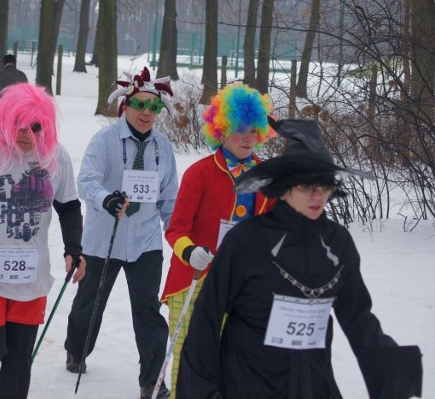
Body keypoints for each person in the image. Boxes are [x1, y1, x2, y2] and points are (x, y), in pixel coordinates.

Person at [177, 118, 423, 398]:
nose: (317, 195)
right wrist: (205, 391)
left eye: (325, 185)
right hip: (249, 378)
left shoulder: (337, 243)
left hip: (312, 379)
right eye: (306, 186)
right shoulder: (246, 241)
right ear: (283, 188)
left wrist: (393, 368)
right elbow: (206, 318)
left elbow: (357, 316)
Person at [0, 83, 86, 399]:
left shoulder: (55, 157)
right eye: (18, 126)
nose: (26, 135)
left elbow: (69, 206)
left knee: (20, 359)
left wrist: (74, 249)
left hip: (30, 278)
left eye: (35, 127)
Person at [64, 67, 179, 399]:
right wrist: (107, 198)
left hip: (145, 241)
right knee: (90, 302)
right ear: (125, 106)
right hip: (103, 239)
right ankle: (76, 348)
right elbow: (87, 181)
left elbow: (169, 196)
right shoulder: (104, 141)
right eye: (140, 105)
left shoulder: (163, 148)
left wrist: (178, 235)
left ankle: (152, 381)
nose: (146, 113)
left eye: (153, 107)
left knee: (147, 311)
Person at [161, 83, 276, 397]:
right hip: (193, 281)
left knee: (233, 366)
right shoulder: (199, 173)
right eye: (239, 129)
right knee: (187, 364)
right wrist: (191, 252)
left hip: (242, 287)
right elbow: (175, 229)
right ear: (221, 130)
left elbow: (279, 231)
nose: (247, 137)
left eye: (253, 130)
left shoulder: (269, 177)